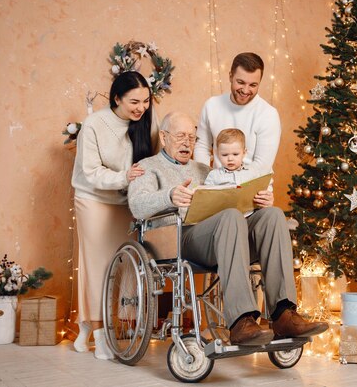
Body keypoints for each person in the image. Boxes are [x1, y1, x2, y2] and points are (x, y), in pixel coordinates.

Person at [128, 112, 328, 346]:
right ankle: (241, 321)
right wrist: (169, 196)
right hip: (182, 237)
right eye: (180, 135)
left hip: (226, 235)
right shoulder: (147, 167)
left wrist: (261, 200)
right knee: (231, 216)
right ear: (163, 137)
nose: (187, 142)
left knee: (272, 215)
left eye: (192, 137)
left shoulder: (206, 170)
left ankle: (283, 313)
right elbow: (136, 206)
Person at [71, 71, 159, 359]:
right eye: (134, 101)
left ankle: (92, 328)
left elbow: (154, 162)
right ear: (117, 98)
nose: (141, 107)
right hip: (94, 199)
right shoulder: (95, 124)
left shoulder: (146, 122)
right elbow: (90, 171)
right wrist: (125, 176)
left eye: (146, 101)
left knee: (123, 266)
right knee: (97, 266)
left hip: (127, 203)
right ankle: (100, 333)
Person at [194, 52, 280, 185]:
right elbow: (202, 146)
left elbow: (262, 166)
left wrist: (232, 184)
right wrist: (206, 183)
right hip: (219, 187)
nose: (245, 90)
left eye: (253, 85)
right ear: (230, 76)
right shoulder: (211, 105)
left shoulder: (268, 114)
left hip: (254, 188)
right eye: (241, 82)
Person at [203, 128, 268, 187]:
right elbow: (205, 194)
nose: (230, 159)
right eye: (225, 155)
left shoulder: (253, 173)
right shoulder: (213, 175)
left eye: (235, 154)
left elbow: (259, 191)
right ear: (217, 154)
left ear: (244, 153)